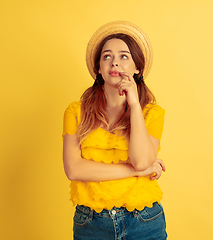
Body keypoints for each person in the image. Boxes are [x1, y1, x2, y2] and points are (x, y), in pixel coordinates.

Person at [62, 21, 167, 240]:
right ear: (98, 68)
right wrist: (138, 172)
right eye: (107, 56)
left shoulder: (152, 113)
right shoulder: (76, 112)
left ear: (137, 67)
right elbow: (74, 170)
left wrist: (135, 105)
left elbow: (141, 161)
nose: (114, 63)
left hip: (144, 221)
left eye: (124, 56)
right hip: (90, 223)